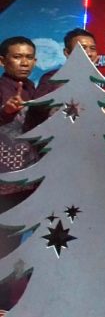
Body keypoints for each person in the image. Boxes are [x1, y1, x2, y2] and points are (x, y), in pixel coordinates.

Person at [0, 36, 38, 311]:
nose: (24, 62)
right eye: (17, 56)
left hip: (33, 178)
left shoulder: (35, 90)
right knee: (5, 243)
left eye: (29, 57)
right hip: (5, 180)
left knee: (41, 241)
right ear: (2, 60)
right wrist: (5, 111)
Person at [26, 28, 99, 130]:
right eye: (82, 48)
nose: (89, 53)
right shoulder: (52, 78)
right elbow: (38, 106)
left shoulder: (93, 80)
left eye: (92, 48)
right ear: (67, 52)